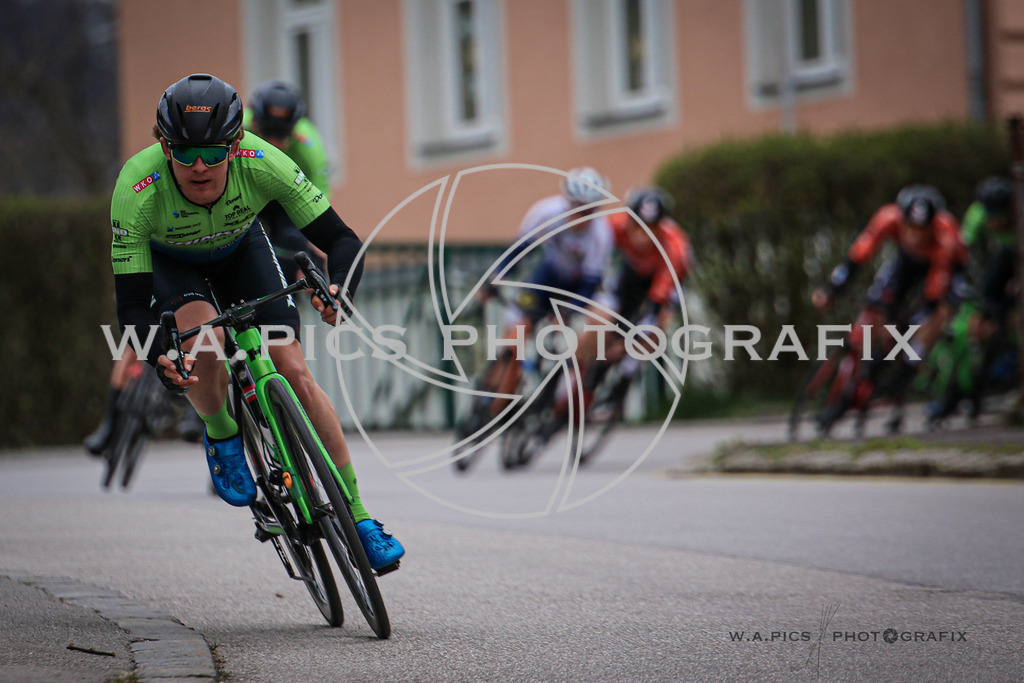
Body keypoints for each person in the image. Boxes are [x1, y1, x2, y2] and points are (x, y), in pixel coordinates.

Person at [108, 73, 403, 570]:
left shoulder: (264, 161)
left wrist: (339, 291)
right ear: (163, 147)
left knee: (295, 371)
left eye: (212, 153)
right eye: (184, 153)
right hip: (172, 262)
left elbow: (341, 239)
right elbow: (133, 307)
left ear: (235, 144)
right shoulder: (136, 188)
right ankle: (222, 432)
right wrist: (160, 356)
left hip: (241, 249)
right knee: (205, 343)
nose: (198, 167)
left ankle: (358, 515)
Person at [467, 166, 615, 435]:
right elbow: (517, 252)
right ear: (567, 202)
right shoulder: (546, 212)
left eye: (588, 211)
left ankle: (568, 393)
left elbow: (591, 283)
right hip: (547, 278)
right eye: (577, 208)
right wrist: (493, 280)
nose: (581, 217)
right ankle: (499, 403)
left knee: (594, 328)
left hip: (580, 287)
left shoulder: (601, 234)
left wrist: (567, 313)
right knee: (515, 335)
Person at [812, 184, 965, 432]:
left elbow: (936, 289)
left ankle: (908, 367)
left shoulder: (945, 234)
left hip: (942, 266)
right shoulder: (887, 218)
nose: (915, 236)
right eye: (910, 229)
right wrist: (833, 288)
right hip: (906, 261)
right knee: (877, 308)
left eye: (922, 230)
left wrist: (912, 322)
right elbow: (859, 254)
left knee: (932, 318)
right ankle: (855, 383)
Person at [575, 186, 692, 407]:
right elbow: (594, 249)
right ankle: (582, 373)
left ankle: (625, 378)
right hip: (632, 274)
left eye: (652, 228)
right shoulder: (615, 226)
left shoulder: (675, 246)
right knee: (603, 318)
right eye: (638, 226)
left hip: (665, 280)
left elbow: (661, 293)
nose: (643, 235)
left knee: (653, 328)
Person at [244, 80, 329, 283]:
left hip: (285, 196)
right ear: (255, 123)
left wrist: (321, 251)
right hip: (249, 189)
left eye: (281, 136)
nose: (273, 144)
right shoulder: (239, 128)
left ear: (293, 129)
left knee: (292, 244)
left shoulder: (309, 146)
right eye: (267, 135)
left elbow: (320, 201)